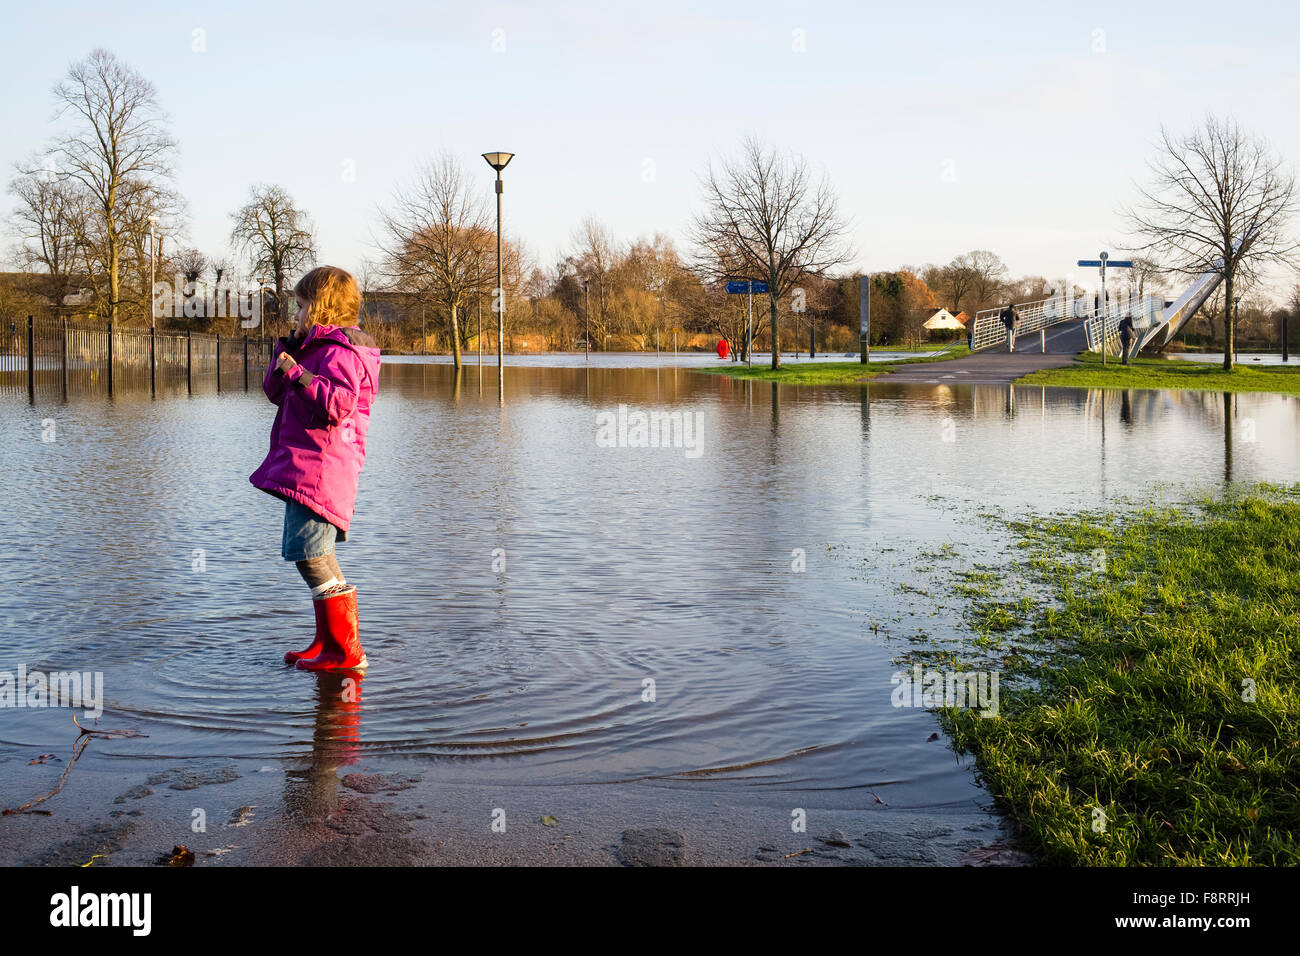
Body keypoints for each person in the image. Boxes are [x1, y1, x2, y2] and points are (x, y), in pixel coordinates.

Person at [249, 266, 382, 671]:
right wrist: (285, 355)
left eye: (302, 305)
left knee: (311, 556)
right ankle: (328, 641)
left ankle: (345, 651)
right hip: (306, 468)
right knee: (314, 554)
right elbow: (274, 393)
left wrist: (302, 373)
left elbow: (340, 404)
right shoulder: (313, 348)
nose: (297, 311)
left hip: (323, 469)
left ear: (321, 308)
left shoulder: (342, 352)